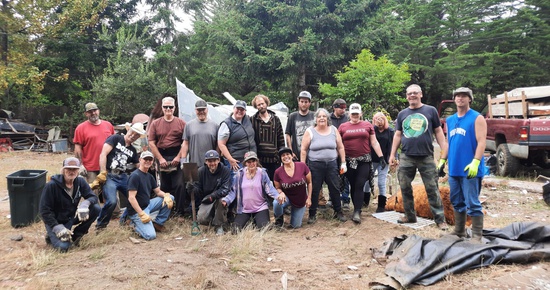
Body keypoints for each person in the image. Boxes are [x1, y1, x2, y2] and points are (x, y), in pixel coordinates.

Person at [389, 84, 448, 230]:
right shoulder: (402, 114)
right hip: (406, 156)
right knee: (405, 187)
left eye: (415, 93)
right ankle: (410, 216)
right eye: (409, 94)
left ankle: (440, 219)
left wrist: (444, 149)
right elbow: (397, 135)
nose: (412, 96)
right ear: (406, 96)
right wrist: (392, 154)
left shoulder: (430, 110)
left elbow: (438, 131)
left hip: (426, 156)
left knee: (432, 188)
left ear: (421, 94)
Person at [444, 87, 487, 242]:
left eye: (464, 96)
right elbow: (449, 143)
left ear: (470, 99)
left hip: (470, 169)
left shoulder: (477, 118)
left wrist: (476, 161)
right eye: (457, 96)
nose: (460, 98)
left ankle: (476, 234)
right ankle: (459, 230)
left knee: (472, 202)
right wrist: (443, 160)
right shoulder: (450, 120)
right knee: (457, 201)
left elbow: (482, 141)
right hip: (454, 168)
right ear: (454, 99)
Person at [39, 157, 101, 252]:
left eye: (74, 169)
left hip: (70, 218)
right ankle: (51, 236)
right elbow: (44, 211)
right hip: (55, 221)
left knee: (96, 208)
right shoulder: (51, 185)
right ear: (63, 170)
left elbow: (93, 197)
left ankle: (78, 234)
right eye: (69, 169)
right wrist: (57, 227)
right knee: (63, 247)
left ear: (78, 170)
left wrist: (85, 204)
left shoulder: (80, 182)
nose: (72, 172)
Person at [338, 104, 385, 224]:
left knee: (359, 184)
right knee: (353, 185)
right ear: (349, 114)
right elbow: (338, 144)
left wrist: (381, 157)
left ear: (360, 113)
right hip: (348, 161)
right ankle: (355, 208)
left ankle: (357, 211)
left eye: (357, 113)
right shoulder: (343, 127)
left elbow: (374, 142)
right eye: (352, 113)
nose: (354, 115)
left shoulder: (367, 125)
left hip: (364, 160)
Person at [300, 108, 347, 224]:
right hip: (315, 165)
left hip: (332, 164)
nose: (321, 118)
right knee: (315, 189)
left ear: (327, 119)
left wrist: (343, 162)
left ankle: (338, 212)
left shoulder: (333, 130)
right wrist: (302, 166)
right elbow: (303, 150)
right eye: (319, 116)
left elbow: (340, 147)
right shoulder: (310, 131)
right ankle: (312, 214)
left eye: (324, 116)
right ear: (316, 119)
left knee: (335, 188)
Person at [94, 122, 144, 230]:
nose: (133, 136)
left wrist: (147, 162)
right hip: (109, 174)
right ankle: (101, 225)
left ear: (138, 137)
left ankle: (124, 220)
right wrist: (102, 172)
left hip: (122, 176)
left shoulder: (133, 151)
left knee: (136, 198)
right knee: (112, 202)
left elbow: (139, 165)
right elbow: (103, 154)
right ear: (128, 130)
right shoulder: (115, 138)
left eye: (136, 135)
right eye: (132, 132)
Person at [222, 151, 283, 232]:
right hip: (244, 209)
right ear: (245, 163)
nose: (251, 164)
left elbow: (269, 188)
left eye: (253, 161)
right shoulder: (239, 174)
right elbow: (233, 191)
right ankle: (252, 221)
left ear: (256, 161)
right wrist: (226, 200)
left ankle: (258, 221)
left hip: (260, 207)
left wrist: (277, 196)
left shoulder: (262, 173)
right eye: (249, 162)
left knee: (263, 229)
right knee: (235, 231)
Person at [147, 96, 186, 216]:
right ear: (162, 108)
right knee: (164, 186)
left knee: (179, 184)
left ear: (174, 108)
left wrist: (178, 157)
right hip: (162, 155)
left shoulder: (181, 123)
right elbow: (151, 142)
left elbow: (185, 142)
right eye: (165, 107)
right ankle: (166, 211)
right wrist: (160, 158)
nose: (168, 109)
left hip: (176, 154)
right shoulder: (155, 123)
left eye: (170, 107)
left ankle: (180, 212)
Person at [125, 151, 174, 240]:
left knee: (170, 198)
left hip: (147, 205)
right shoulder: (135, 176)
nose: (148, 161)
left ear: (153, 161)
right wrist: (141, 213)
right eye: (145, 159)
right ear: (140, 160)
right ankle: (131, 223)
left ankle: (158, 224)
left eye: (150, 159)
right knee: (150, 236)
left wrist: (166, 195)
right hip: (137, 210)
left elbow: (158, 192)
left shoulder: (149, 176)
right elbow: (131, 198)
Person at [73, 102, 114, 183]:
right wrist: (80, 165)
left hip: (107, 167)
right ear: (86, 114)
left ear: (98, 111)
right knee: (92, 193)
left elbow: (114, 144)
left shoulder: (108, 125)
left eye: (95, 110)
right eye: (90, 112)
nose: (93, 113)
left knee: (108, 194)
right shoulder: (80, 128)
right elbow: (78, 149)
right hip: (90, 168)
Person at [272, 147, 312, 229]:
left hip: (300, 199)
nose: (286, 157)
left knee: (295, 226)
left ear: (292, 155)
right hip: (287, 198)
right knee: (276, 202)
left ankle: (296, 214)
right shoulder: (278, 172)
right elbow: (277, 187)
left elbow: (309, 182)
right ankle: (279, 222)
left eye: (287, 154)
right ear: (280, 158)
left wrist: (309, 198)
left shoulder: (302, 166)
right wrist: (281, 193)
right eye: (283, 155)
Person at [195, 150, 232, 235]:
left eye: (214, 160)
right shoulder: (201, 171)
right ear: (206, 161)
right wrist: (192, 188)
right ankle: (214, 219)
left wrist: (213, 195)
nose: (212, 163)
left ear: (218, 160)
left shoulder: (225, 170)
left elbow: (225, 189)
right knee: (201, 220)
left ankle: (219, 225)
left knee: (221, 201)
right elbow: (198, 190)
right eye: (210, 161)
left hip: (219, 197)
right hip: (206, 199)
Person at [250, 94, 285, 181]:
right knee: (261, 184)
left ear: (266, 103)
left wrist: (281, 154)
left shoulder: (275, 119)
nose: (261, 106)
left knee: (275, 184)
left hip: (274, 159)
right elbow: (251, 138)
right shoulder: (252, 120)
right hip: (260, 160)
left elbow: (281, 138)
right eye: (258, 105)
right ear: (256, 106)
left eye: (262, 103)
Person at [218, 100, 257, 172]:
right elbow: (221, 144)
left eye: (242, 109)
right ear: (233, 109)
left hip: (250, 160)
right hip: (236, 162)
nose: (239, 111)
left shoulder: (248, 119)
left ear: (245, 111)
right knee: (236, 182)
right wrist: (230, 159)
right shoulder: (226, 124)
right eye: (238, 109)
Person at [180, 99, 219, 165]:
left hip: (211, 165)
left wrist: (218, 160)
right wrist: (183, 161)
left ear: (207, 110)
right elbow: (185, 144)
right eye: (199, 110)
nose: (201, 112)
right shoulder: (189, 125)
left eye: (203, 110)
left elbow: (218, 145)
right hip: (194, 164)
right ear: (195, 110)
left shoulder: (215, 126)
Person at [372, 112, 395, 213]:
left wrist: (393, 158)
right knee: (367, 181)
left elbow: (393, 145)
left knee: (381, 181)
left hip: (384, 160)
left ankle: (381, 205)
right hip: (372, 159)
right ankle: (365, 199)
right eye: (377, 119)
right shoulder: (371, 130)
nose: (379, 121)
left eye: (381, 119)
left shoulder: (390, 131)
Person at [329, 98, 351, 211]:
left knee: (344, 175)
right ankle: (331, 198)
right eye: (341, 108)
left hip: (344, 152)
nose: (343, 110)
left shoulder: (347, 118)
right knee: (332, 176)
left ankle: (345, 199)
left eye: (344, 108)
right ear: (334, 107)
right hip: (331, 152)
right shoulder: (328, 118)